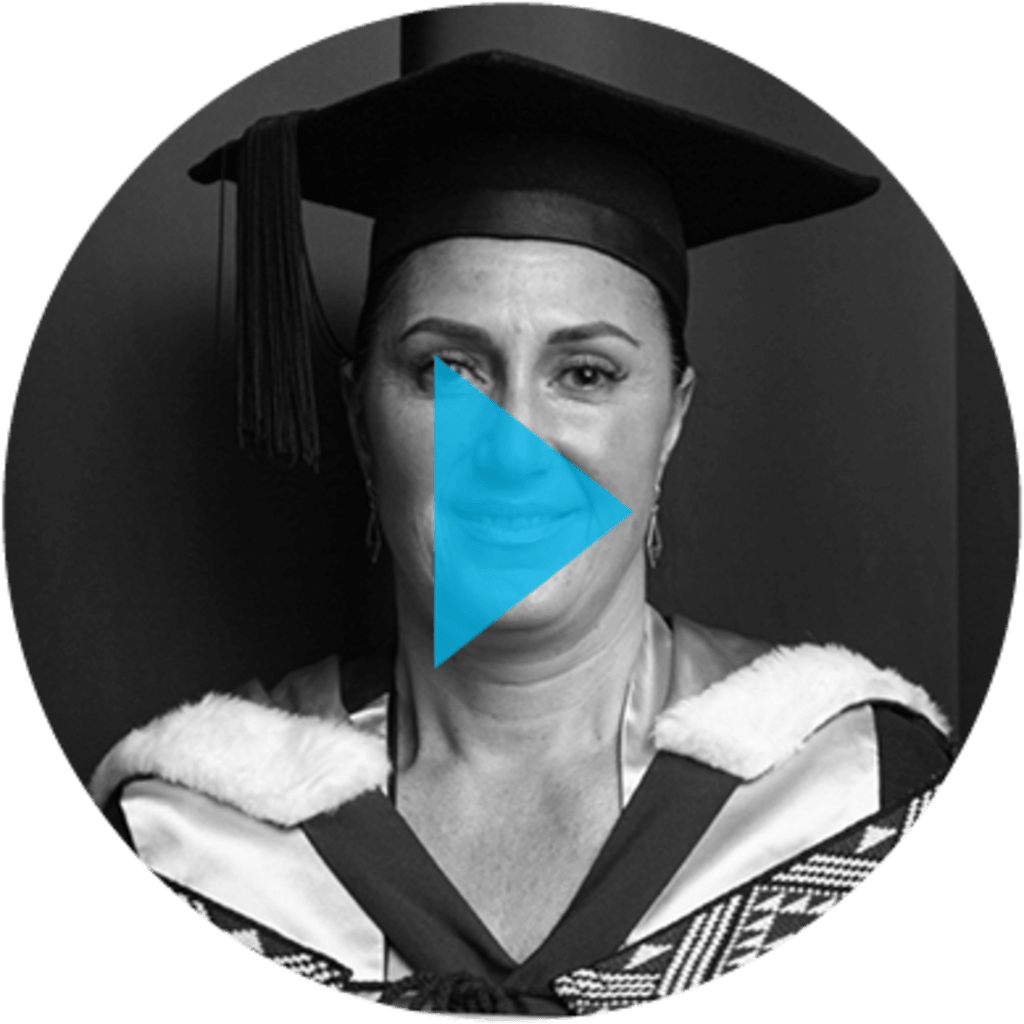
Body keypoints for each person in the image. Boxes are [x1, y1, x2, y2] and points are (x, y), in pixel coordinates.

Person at [88, 51, 953, 1017]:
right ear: (361, 421)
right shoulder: (193, 848)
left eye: (585, 374)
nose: (512, 446)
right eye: (448, 369)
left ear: (672, 421)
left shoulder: (858, 800)